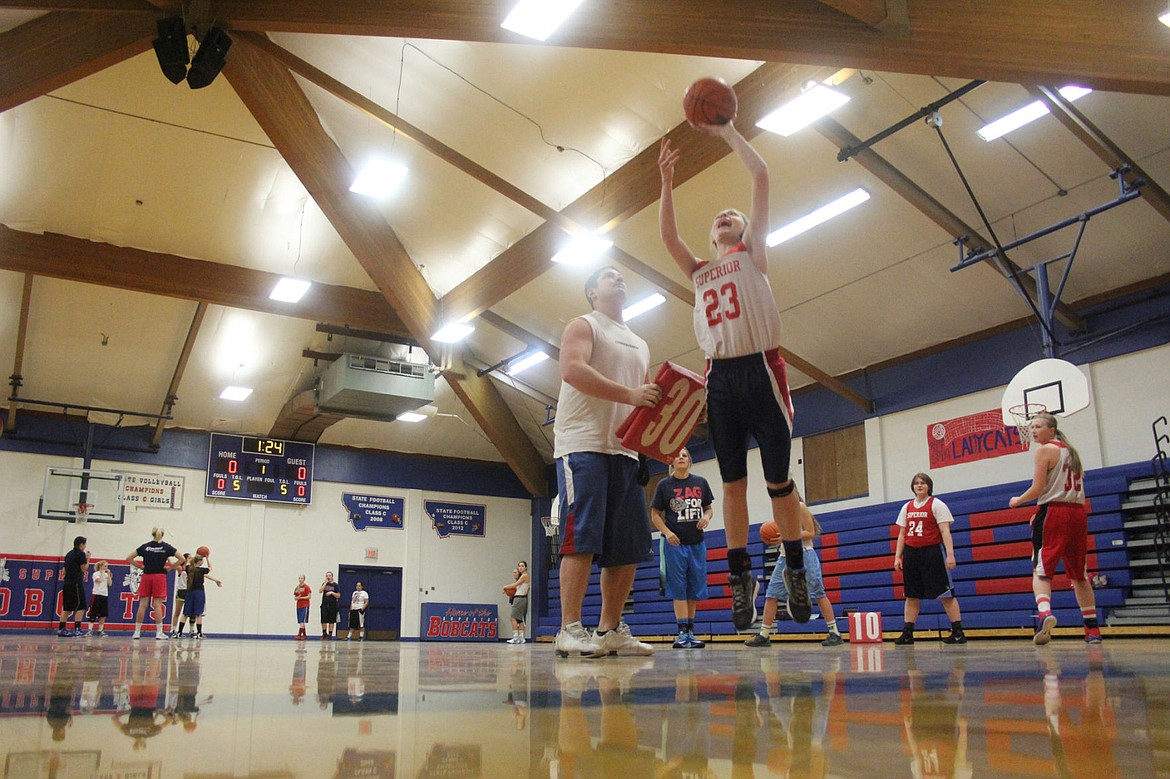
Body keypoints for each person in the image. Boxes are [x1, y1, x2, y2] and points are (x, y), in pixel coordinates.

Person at [659, 122, 811, 632]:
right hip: (719, 379)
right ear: (712, 237)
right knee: (731, 487)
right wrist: (665, 181)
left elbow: (762, 173)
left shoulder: (754, 256)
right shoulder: (702, 270)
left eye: (734, 215)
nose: (726, 216)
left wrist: (726, 132)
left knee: (778, 482)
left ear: (745, 232)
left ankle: (793, 567)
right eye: (720, 217)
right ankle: (740, 580)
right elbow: (667, 237)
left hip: (761, 369)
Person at [553, 265, 661, 658]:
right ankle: (569, 629)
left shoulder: (640, 342)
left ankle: (610, 629)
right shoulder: (584, 325)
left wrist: (668, 424)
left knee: (627, 546)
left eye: (622, 275)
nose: (619, 277)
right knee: (581, 538)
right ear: (592, 292)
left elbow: (645, 399)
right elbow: (572, 370)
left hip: (626, 452)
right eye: (608, 275)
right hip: (583, 444)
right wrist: (631, 396)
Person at [1009, 412, 1101, 644]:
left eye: (1038, 426)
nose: (1034, 431)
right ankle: (1092, 630)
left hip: (1053, 513)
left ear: (1052, 429)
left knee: (1041, 569)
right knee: (1080, 575)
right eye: (1032, 427)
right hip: (1078, 513)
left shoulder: (1044, 450)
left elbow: (1038, 488)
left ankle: (1045, 613)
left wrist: (1018, 500)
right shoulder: (1072, 452)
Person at [746, 497, 844, 647]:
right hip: (784, 556)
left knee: (818, 593)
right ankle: (764, 635)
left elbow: (810, 533)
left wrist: (785, 537)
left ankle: (835, 633)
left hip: (804, 554)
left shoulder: (800, 506)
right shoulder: (780, 510)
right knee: (771, 594)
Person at [650, 447, 713, 649]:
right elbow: (654, 515)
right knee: (678, 589)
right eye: (677, 455)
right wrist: (667, 533)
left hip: (697, 543)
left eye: (684, 455)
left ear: (690, 461)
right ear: (671, 461)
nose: (681, 457)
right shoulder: (664, 485)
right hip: (675, 545)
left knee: (693, 589)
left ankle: (691, 632)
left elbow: (709, 508)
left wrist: (706, 517)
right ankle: (682, 633)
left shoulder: (701, 482)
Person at [892, 473, 966, 645]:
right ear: (913, 487)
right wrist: (897, 556)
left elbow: (945, 531)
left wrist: (950, 554)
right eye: (916, 483)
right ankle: (908, 633)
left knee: (945, 594)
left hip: (932, 553)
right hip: (911, 554)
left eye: (923, 483)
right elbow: (902, 534)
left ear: (929, 486)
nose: (919, 486)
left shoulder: (937, 504)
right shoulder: (907, 507)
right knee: (911, 595)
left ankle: (957, 632)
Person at [128, 528, 179, 640]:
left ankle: (136, 632)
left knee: (142, 605)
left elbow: (129, 558)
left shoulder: (145, 546)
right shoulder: (166, 547)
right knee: (157, 605)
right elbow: (182, 558)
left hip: (147, 576)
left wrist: (141, 566)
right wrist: (171, 568)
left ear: (152, 534)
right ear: (163, 535)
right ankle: (159, 632)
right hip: (159, 577)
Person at [181, 554, 222, 639]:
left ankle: (179, 632)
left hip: (189, 593)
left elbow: (187, 563)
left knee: (185, 613)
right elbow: (210, 568)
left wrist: (192, 558)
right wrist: (207, 558)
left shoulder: (189, 568)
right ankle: (199, 633)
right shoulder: (202, 570)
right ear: (200, 562)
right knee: (199, 614)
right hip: (198, 593)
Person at [58, 535, 89, 636]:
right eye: (84, 544)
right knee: (81, 606)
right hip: (75, 583)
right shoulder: (81, 554)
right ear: (81, 545)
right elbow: (84, 569)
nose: (85, 546)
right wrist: (88, 559)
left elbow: (64, 571)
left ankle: (61, 629)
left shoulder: (68, 554)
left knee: (67, 607)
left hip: (67, 583)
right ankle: (77, 629)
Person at [506, 561, 530, 645]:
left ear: (526, 567)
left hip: (520, 599)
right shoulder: (522, 577)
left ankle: (516, 637)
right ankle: (521, 637)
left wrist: (504, 587)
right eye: (519, 566)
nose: (520, 568)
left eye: (522, 566)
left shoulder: (525, 576)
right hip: (521, 598)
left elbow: (514, 585)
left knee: (512, 617)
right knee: (519, 620)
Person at [86, 559, 111, 637]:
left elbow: (109, 584)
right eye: (105, 566)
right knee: (93, 612)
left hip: (104, 595)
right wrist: (103, 573)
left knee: (103, 614)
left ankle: (100, 630)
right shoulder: (96, 574)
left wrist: (109, 574)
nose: (106, 568)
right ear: (101, 566)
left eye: (107, 566)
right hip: (97, 594)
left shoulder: (107, 575)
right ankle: (90, 630)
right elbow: (99, 580)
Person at [170, 552, 190, 638]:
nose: (191, 559)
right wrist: (167, 557)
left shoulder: (191, 569)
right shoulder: (180, 568)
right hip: (181, 591)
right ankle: (174, 629)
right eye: (189, 557)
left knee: (187, 613)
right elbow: (172, 565)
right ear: (185, 559)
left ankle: (188, 631)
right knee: (177, 612)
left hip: (188, 591)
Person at [320, 571, 342, 639]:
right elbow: (320, 591)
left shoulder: (336, 585)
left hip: (332, 605)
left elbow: (338, 595)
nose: (328, 577)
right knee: (323, 619)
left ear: (332, 576)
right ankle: (324, 633)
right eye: (327, 576)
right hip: (324, 604)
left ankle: (330, 634)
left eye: (329, 575)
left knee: (331, 620)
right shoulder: (324, 584)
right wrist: (325, 583)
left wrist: (332, 593)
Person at [294, 575, 312, 640]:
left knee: (302, 620)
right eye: (299, 578)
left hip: (305, 605)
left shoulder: (306, 587)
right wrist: (297, 598)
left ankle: (299, 634)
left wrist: (301, 598)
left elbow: (309, 596)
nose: (300, 579)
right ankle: (304, 634)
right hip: (299, 605)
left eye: (302, 578)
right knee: (301, 621)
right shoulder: (297, 587)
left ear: (304, 579)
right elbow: (295, 597)